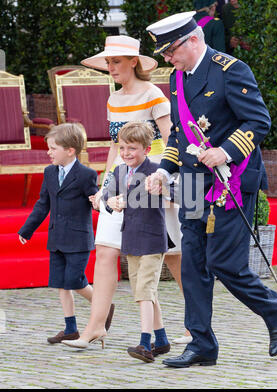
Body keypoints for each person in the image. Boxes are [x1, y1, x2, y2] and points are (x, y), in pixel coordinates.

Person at [145, 11, 277, 368]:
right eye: (164, 54)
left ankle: (275, 310)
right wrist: (165, 170)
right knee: (193, 263)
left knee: (223, 262)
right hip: (194, 181)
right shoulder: (177, 79)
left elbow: (258, 121)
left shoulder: (231, 70)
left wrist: (224, 150)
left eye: (170, 51)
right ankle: (201, 344)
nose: (167, 59)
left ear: (193, 40)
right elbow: (179, 134)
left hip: (232, 178)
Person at [62, 35, 189, 349]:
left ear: (134, 62)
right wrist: (104, 187)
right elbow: (113, 147)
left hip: (154, 179)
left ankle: (194, 323)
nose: (110, 67)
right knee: (104, 250)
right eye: (107, 62)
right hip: (120, 180)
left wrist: (166, 179)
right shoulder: (113, 99)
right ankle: (95, 327)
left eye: (115, 61)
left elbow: (171, 139)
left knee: (174, 257)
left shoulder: (154, 94)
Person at [18, 123, 100, 345]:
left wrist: (100, 203)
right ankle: (70, 328)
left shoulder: (86, 175)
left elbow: (95, 201)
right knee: (61, 283)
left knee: (74, 280)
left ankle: (102, 307)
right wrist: (27, 229)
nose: (49, 152)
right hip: (57, 238)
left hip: (79, 239)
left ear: (70, 150)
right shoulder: (49, 172)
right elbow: (43, 204)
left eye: (53, 148)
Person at [102, 121, 171, 363]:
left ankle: (145, 343)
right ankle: (161, 339)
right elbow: (108, 196)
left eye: (131, 148)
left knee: (144, 292)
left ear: (147, 149)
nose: (125, 153)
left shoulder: (156, 171)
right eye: (122, 148)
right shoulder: (120, 171)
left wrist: (160, 190)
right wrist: (111, 202)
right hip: (131, 238)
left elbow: (166, 193)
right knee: (145, 292)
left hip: (152, 240)